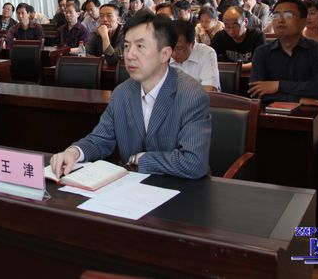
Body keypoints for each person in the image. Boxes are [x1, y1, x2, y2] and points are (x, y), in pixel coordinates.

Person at [49, 11, 211, 179]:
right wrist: (74, 152)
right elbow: (100, 139)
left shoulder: (191, 95)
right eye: (126, 46)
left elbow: (194, 162)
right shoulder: (122, 93)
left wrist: (139, 160)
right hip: (131, 187)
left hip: (182, 188)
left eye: (140, 46)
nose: (130, 55)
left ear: (165, 54)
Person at [249, 0, 318, 237]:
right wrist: (301, 98)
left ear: (303, 20)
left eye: (288, 15)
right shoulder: (263, 53)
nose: (280, 20)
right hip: (271, 125)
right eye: (276, 15)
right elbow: (257, 92)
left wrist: (277, 85)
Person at [171, 19, 220, 92]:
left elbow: (209, 90)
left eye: (179, 48)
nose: (173, 54)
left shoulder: (206, 53)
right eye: (171, 48)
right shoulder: (163, 53)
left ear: (192, 44)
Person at [211, 6, 265, 72]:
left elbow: (260, 62)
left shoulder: (257, 36)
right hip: (229, 75)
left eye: (235, 26)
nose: (231, 31)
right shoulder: (220, 36)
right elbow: (210, 58)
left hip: (251, 74)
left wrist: (235, 68)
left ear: (245, 22)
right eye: (227, 26)